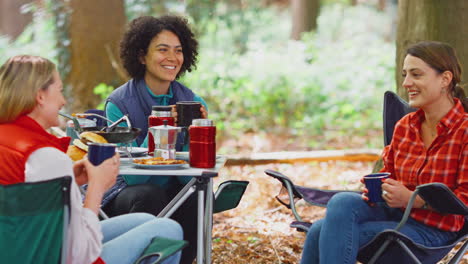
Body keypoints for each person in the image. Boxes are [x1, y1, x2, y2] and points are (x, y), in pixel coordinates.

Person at [0, 55, 183, 264]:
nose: (63, 101)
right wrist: (97, 186)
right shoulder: (44, 156)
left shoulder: (9, 143)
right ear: (40, 96)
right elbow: (80, 254)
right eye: (59, 90)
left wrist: (72, 181)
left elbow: (23, 208)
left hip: (18, 248)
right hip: (51, 255)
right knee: (168, 229)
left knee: (147, 221)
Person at [300, 41, 468, 264]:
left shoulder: (464, 131)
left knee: (320, 231)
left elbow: (465, 200)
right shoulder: (405, 126)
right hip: (394, 215)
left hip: (433, 233)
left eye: (416, 75)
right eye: (405, 75)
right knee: (341, 203)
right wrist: (379, 187)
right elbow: (389, 175)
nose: (407, 83)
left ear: (445, 79)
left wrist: (414, 200)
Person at [102, 15, 208, 264]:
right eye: (163, 50)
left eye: (178, 51)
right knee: (149, 194)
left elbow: (187, 177)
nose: (172, 58)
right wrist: (163, 131)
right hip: (126, 192)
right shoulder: (118, 104)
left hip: (170, 188)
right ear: (142, 56)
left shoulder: (192, 102)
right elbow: (130, 176)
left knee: (196, 195)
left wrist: (194, 137)